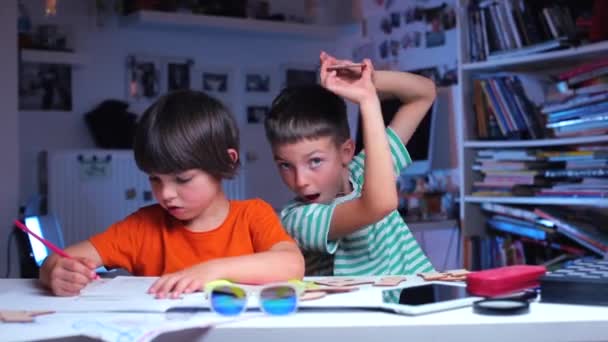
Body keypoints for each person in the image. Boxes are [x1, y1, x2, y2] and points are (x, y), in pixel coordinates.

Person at [40, 90, 304, 297]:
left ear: (227, 161)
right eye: (155, 179)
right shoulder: (143, 227)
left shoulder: (252, 215)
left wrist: (212, 271)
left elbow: (292, 265)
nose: (166, 194)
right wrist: (55, 271)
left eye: (182, 179)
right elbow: (57, 259)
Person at [264, 51, 436, 276]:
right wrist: (368, 100)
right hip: (364, 310)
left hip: (414, 297)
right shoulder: (298, 219)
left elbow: (425, 94)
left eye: (314, 161)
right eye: (286, 165)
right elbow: (379, 204)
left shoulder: (367, 169)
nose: (300, 181)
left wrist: (370, 79)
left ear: (346, 152)